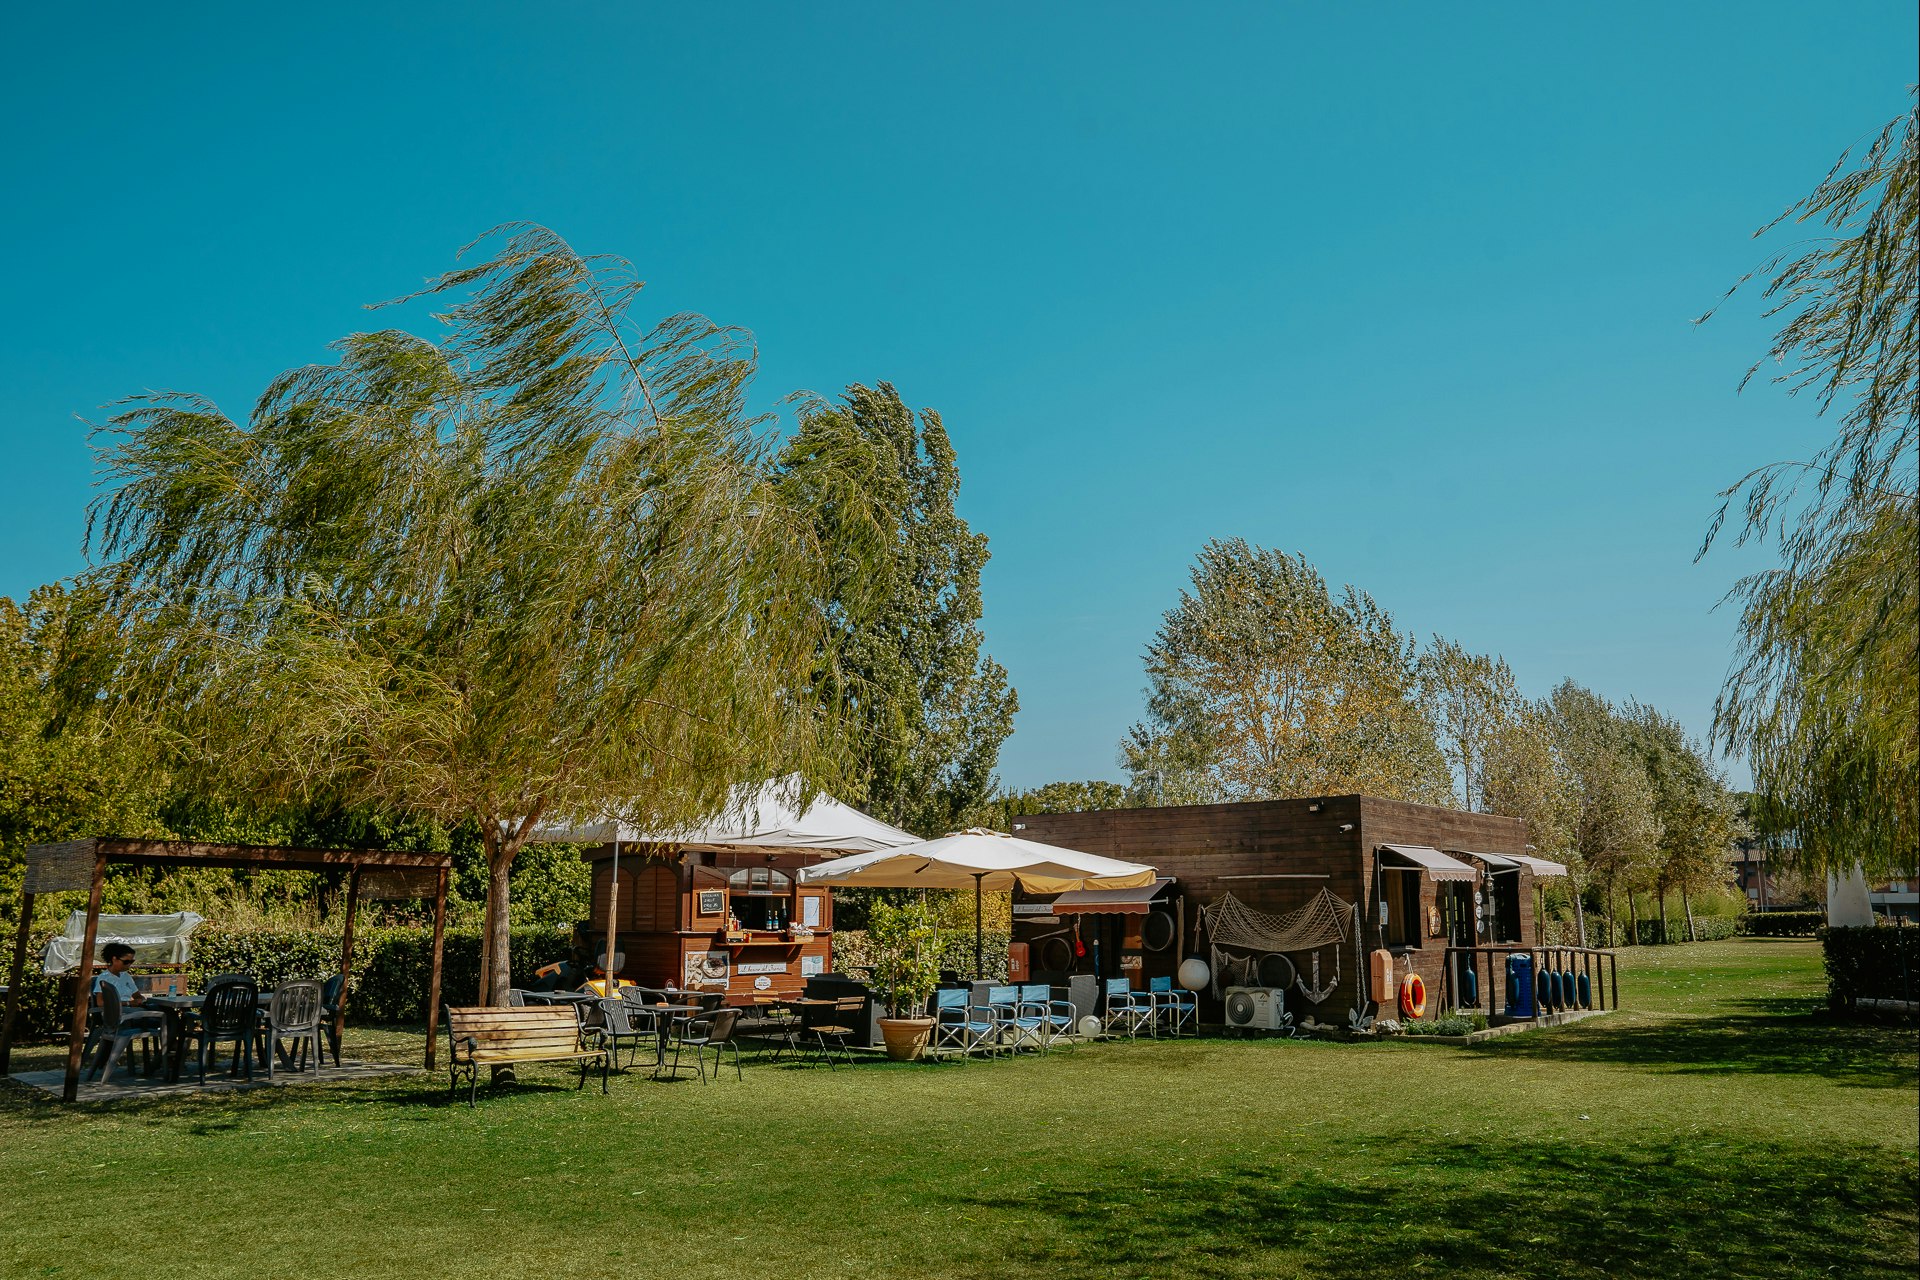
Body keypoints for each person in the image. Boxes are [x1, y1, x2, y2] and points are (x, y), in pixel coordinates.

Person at [92, 943, 147, 1009]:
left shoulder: (126, 976)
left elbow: (138, 996)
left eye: (131, 961)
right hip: (114, 1013)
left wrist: (141, 1000)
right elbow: (100, 1003)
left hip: (130, 1011)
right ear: (114, 959)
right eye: (126, 962)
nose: (129, 964)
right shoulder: (103, 978)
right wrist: (128, 1003)